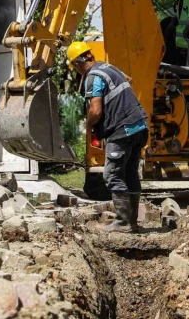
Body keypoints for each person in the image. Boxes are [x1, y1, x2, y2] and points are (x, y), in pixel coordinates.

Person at [67, 41, 148, 233]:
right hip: (139, 126)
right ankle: (132, 222)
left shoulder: (93, 77)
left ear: (77, 65)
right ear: (89, 55)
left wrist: (87, 125)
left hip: (122, 130)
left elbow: (95, 111)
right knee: (129, 173)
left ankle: (123, 222)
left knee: (112, 174)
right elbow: (128, 79)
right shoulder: (108, 67)